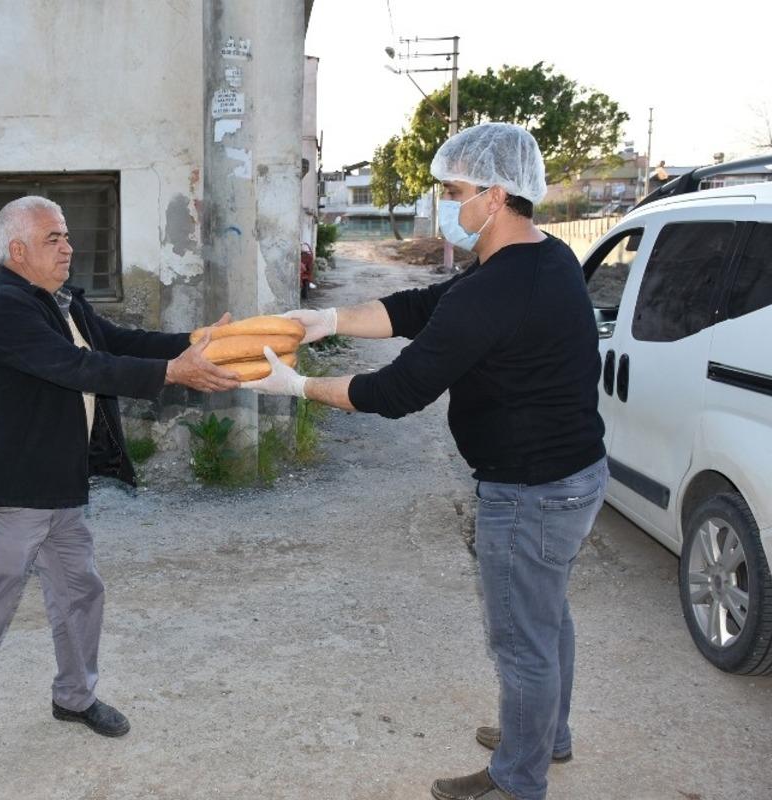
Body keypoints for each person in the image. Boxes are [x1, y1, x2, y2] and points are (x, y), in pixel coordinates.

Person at [244, 123, 608, 800]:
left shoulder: (494, 289)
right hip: (576, 474)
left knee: (522, 639)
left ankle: (518, 779)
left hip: (529, 491)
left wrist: (296, 387)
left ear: (495, 195)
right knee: (546, 614)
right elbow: (425, 306)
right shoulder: (544, 257)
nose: (446, 202)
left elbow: (396, 391)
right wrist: (330, 321)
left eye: (455, 191)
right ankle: (544, 734)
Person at [0, 195, 239, 764]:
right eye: (53, 239)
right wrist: (172, 374)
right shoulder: (5, 310)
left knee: (80, 591)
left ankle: (74, 697)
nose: (68, 247)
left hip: (61, 483)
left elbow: (118, 343)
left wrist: (193, 342)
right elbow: (77, 367)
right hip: (9, 489)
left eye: (66, 236)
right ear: (17, 251)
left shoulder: (63, 304)